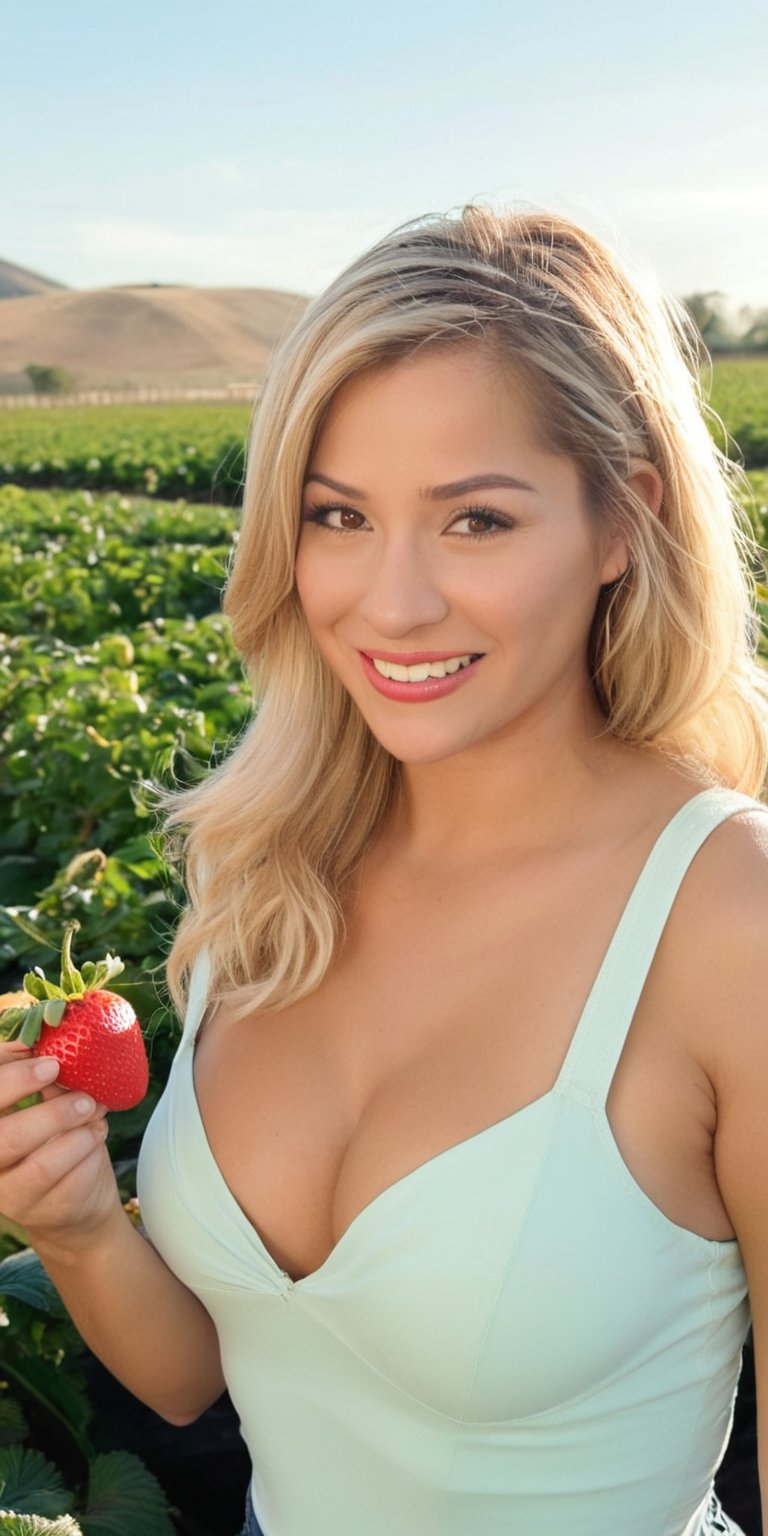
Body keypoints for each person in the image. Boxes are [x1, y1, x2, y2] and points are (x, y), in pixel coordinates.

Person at [0, 205, 766, 1536]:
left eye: (474, 520)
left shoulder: (725, 917)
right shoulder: (272, 865)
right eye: (338, 516)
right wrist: (75, 1229)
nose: (391, 600)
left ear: (620, 524)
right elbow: (216, 1379)